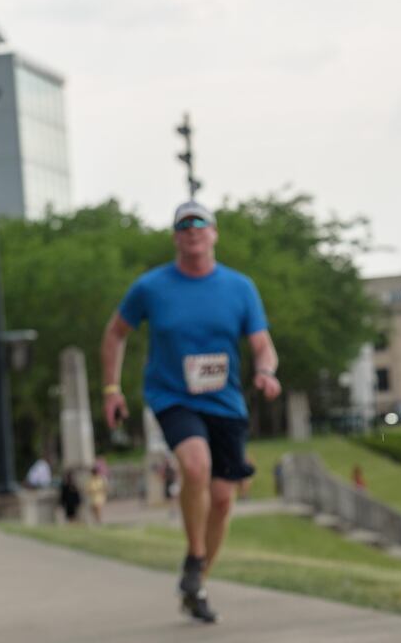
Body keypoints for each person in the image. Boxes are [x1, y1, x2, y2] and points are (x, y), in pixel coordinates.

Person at [100, 200, 282, 624]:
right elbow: (115, 334)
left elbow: (262, 345)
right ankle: (195, 555)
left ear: (214, 233)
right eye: (184, 225)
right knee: (195, 466)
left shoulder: (240, 287)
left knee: (222, 499)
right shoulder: (151, 287)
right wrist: (111, 389)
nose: (193, 230)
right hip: (172, 396)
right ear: (175, 237)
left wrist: (266, 371)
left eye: (201, 223)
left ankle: (196, 581)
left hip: (226, 403)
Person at [87, 458, 109, 524]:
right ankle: (97, 521)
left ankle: (99, 521)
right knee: (94, 510)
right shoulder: (90, 480)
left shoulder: (101, 479)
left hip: (99, 497)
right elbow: (88, 489)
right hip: (92, 497)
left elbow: (105, 488)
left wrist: (100, 490)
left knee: (98, 509)